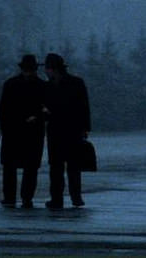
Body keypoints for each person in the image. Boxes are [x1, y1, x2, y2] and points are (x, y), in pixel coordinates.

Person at [0, 54, 47, 208]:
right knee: (19, 167)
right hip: (24, 131)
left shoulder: (11, 84)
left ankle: (20, 197)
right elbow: (3, 110)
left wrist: (8, 126)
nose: (29, 72)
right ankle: (18, 197)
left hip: (18, 131)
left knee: (24, 167)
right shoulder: (41, 86)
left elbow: (3, 110)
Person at [43, 52, 91, 209]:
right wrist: (85, 127)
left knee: (64, 166)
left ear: (53, 69)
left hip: (64, 129)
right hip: (67, 129)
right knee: (67, 166)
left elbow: (83, 106)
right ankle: (71, 197)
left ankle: (61, 198)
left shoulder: (51, 86)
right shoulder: (75, 83)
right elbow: (84, 107)